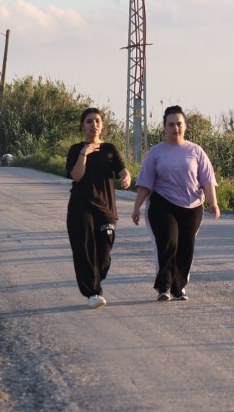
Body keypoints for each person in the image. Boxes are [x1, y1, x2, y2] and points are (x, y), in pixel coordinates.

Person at [132, 104, 220, 301]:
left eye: (179, 124)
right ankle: (164, 287)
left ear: (185, 126)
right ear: (164, 127)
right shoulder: (156, 152)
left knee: (186, 246)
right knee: (168, 242)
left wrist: (213, 203)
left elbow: (207, 180)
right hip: (163, 203)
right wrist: (137, 207)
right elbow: (145, 182)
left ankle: (178, 288)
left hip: (192, 206)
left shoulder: (196, 151)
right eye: (171, 124)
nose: (175, 128)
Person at [66, 107, 131, 308]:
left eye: (97, 121)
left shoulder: (109, 149)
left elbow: (122, 170)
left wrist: (126, 177)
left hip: (106, 208)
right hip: (80, 205)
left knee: (104, 253)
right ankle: (93, 293)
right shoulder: (75, 149)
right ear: (82, 126)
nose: (93, 125)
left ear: (102, 125)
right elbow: (76, 176)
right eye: (89, 121)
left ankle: (94, 279)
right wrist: (84, 154)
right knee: (84, 249)